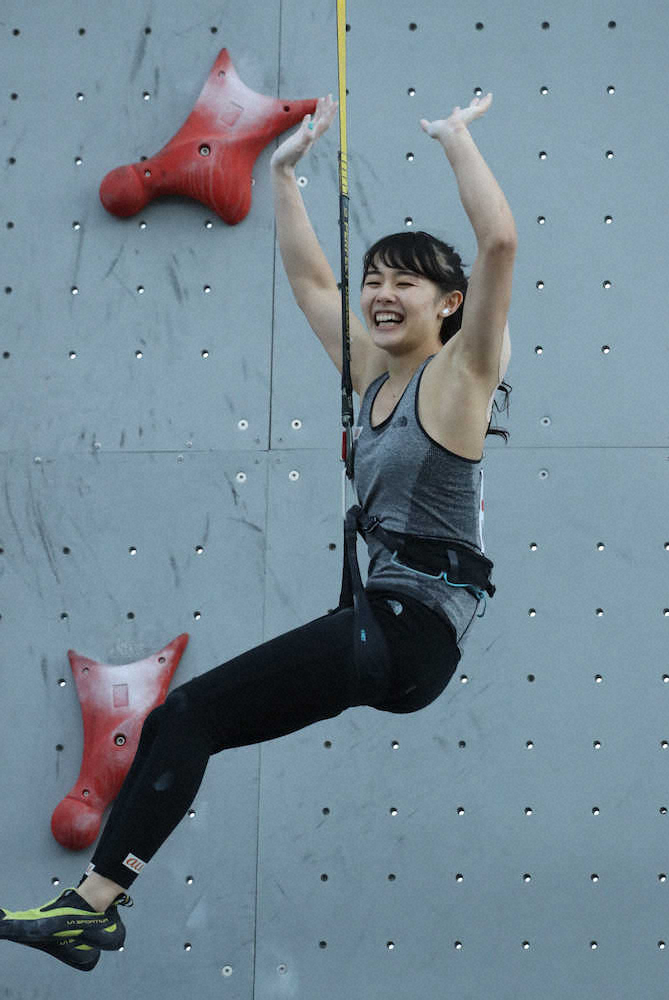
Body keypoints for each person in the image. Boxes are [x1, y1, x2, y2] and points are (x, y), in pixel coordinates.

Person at [0, 92, 516, 973]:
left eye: (406, 282)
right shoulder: (369, 378)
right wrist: (283, 178)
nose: (381, 294)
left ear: (449, 305)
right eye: (377, 279)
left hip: (409, 633)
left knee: (191, 713)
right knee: (179, 722)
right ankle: (93, 910)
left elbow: (500, 245)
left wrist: (456, 142)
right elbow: (314, 282)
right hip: (382, 635)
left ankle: (91, 910)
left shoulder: (458, 380)